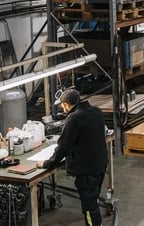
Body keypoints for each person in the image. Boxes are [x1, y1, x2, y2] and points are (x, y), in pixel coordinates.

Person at [37, 89, 107, 226]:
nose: (62, 109)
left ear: (66, 104)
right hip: (100, 163)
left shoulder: (74, 117)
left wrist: (48, 163)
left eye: (62, 106)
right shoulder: (96, 111)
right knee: (93, 199)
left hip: (86, 169)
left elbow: (63, 147)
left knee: (89, 206)